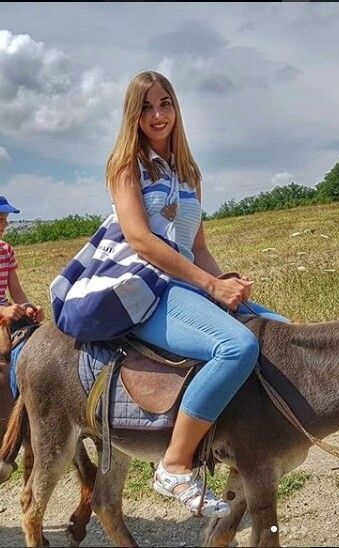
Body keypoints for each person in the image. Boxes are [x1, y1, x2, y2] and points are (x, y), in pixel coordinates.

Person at [89, 71, 288, 517]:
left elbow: (197, 247)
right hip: (143, 290)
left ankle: (243, 442)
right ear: (133, 116)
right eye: (146, 107)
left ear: (176, 108)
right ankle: (175, 464)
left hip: (185, 285)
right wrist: (208, 285)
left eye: (165, 103)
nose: (158, 115)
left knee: (284, 331)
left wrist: (227, 284)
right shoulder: (125, 166)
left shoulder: (188, 173)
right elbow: (140, 240)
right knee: (236, 347)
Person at [0, 196, 44, 326]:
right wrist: (3, 310)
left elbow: (16, 291)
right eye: (0, 219)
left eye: (6, 219)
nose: (5, 224)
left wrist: (28, 308)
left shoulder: (6, 250)